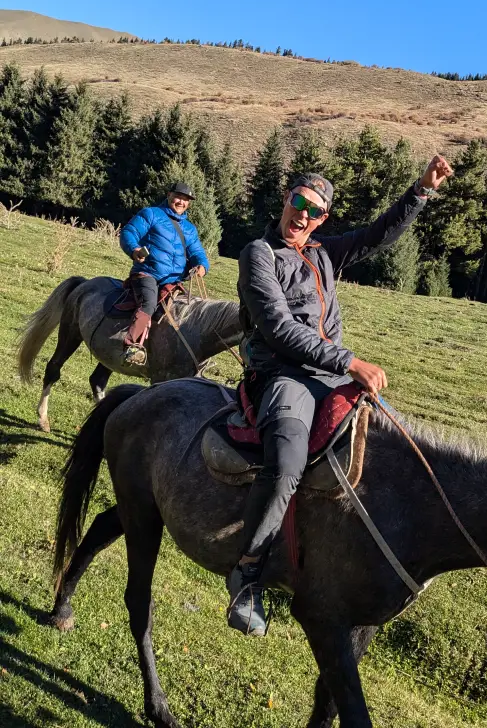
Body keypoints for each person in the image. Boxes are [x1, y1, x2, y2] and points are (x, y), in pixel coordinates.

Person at [229, 155, 454, 635]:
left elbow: (379, 235)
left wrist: (421, 190)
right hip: (282, 375)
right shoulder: (259, 255)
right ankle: (248, 574)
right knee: (287, 463)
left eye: (314, 210)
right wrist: (350, 362)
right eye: (299, 202)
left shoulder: (325, 253)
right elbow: (278, 329)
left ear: (323, 219)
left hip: (329, 376)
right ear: (286, 199)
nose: (303, 215)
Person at [118, 182, 210, 366]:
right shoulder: (151, 214)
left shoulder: (190, 229)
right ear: (169, 195)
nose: (181, 202)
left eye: (186, 200)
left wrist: (202, 265)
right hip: (147, 273)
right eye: (178, 197)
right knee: (149, 303)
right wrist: (134, 249)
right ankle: (131, 347)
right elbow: (129, 232)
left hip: (174, 280)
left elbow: (197, 252)